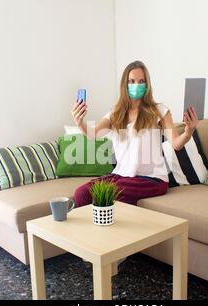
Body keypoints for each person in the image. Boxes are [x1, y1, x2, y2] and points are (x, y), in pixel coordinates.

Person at [71, 60, 198, 207]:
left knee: (105, 194)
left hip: (150, 179)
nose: (136, 85)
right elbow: (93, 135)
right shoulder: (115, 113)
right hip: (121, 176)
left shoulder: (159, 111)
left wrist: (188, 132)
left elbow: (176, 143)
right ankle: (89, 229)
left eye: (141, 81)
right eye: (131, 81)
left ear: (147, 85)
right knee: (81, 194)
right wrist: (79, 122)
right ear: (125, 85)